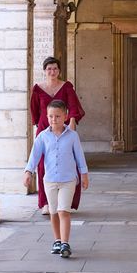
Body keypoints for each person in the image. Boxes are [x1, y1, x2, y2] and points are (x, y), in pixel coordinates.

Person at [24, 100, 89, 258]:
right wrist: (28, 172)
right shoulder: (43, 137)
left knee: (63, 211)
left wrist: (84, 174)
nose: (54, 119)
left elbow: (79, 156)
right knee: (53, 212)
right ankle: (57, 240)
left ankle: (65, 243)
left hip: (68, 180)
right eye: (51, 116)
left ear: (65, 116)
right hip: (50, 181)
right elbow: (35, 155)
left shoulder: (72, 136)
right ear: (47, 117)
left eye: (58, 116)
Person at [30, 57, 85, 214]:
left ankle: (66, 201)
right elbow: (34, 110)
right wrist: (39, 127)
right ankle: (45, 203)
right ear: (44, 71)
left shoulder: (66, 86)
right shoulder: (38, 89)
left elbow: (73, 107)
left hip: (64, 128)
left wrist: (72, 125)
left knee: (67, 161)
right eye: (49, 69)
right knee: (42, 165)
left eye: (55, 68)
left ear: (59, 71)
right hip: (44, 128)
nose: (52, 71)